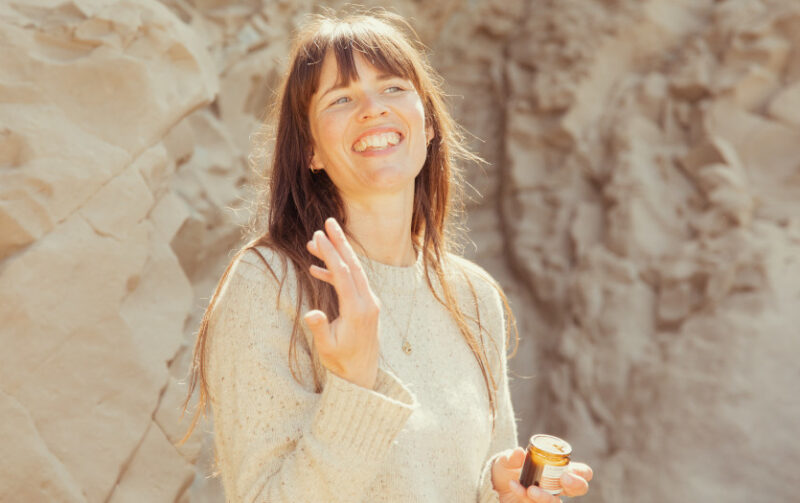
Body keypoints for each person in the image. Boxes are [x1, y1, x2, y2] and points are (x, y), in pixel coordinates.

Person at [180, 8, 593, 503]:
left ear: (429, 124)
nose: (373, 108)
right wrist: (356, 384)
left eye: (394, 88)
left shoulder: (471, 295)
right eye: (341, 98)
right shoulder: (268, 284)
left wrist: (498, 489)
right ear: (311, 150)